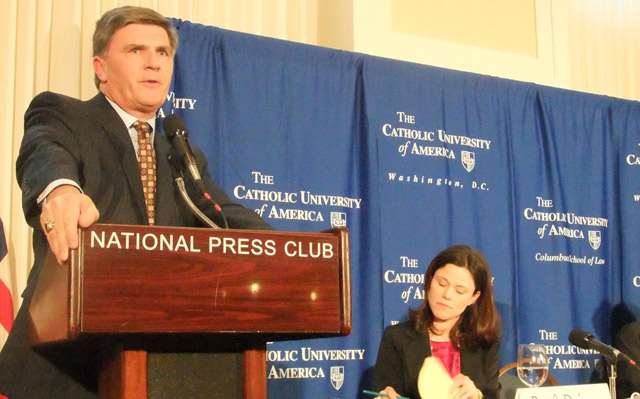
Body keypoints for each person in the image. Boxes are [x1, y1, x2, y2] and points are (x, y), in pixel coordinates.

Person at [0, 6, 271, 399]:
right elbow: (46, 153)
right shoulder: (64, 115)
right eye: (136, 51)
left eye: (163, 53)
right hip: (62, 366)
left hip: (157, 371)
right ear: (101, 67)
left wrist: (296, 249)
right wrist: (60, 191)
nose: (153, 63)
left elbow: (221, 214)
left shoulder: (181, 154)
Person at [373, 245, 502, 399]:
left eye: (459, 291)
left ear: (474, 297)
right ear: (430, 280)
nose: (447, 294)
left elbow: (492, 394)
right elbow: (384, 390)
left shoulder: (484, 343)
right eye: (441, 283)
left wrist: (477, 395)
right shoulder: (396, 338)